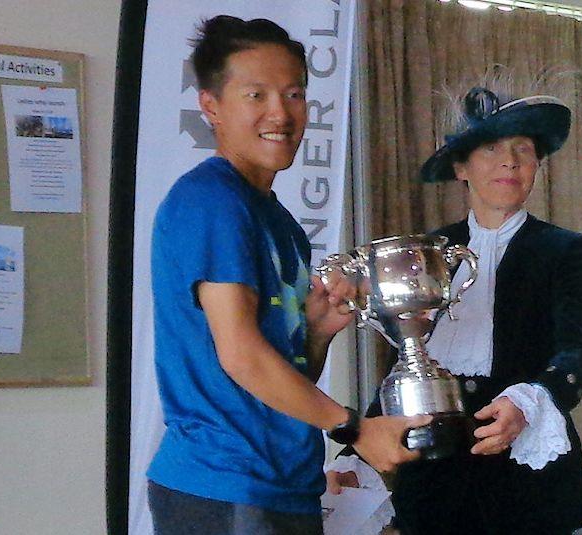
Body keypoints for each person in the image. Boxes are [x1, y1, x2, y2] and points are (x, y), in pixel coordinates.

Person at [146, 16, 429, 535]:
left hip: (285, 485)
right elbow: (241, 355)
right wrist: (354, 428)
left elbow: (282, 372)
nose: (280, 112)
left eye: (294, 93)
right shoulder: (211, 201)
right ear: (211, 106)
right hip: (225, 487)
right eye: (256, 94)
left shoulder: (280, 224)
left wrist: (317, 331)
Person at [326, 84, 582, 534]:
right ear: (461, 167)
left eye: (523, 150)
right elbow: (410, 362)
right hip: (435, 478)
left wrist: (526, 402)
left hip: (525, 481)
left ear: (536, 166)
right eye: (491, 148)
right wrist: (360, 458)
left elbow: (577, 354)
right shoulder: (427, 249)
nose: (509, 161)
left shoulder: (565, 249)